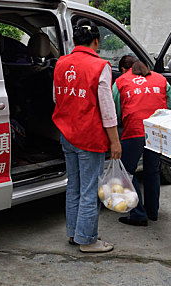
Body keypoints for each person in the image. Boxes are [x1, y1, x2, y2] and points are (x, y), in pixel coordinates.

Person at [52, 18, 121, 253]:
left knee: (74, 187)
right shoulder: (99, 66)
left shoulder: (61, 63)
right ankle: (88, 240)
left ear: (74, 40)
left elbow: (56, 98)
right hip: (89, 136)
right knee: (90, 189)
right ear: (96, 41)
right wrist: (115, 141)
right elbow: (107, 108)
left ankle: (74, 233)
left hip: (66, 135)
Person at [112, 55, 171, 226]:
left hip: (134, 131)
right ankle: (152, 211)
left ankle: (138, 214)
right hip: (156, 130)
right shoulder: (161, 79)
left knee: (126, 171)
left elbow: (116, 110)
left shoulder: (121, 81)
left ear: (125, 70)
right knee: (152, 170)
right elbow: (167, 104)